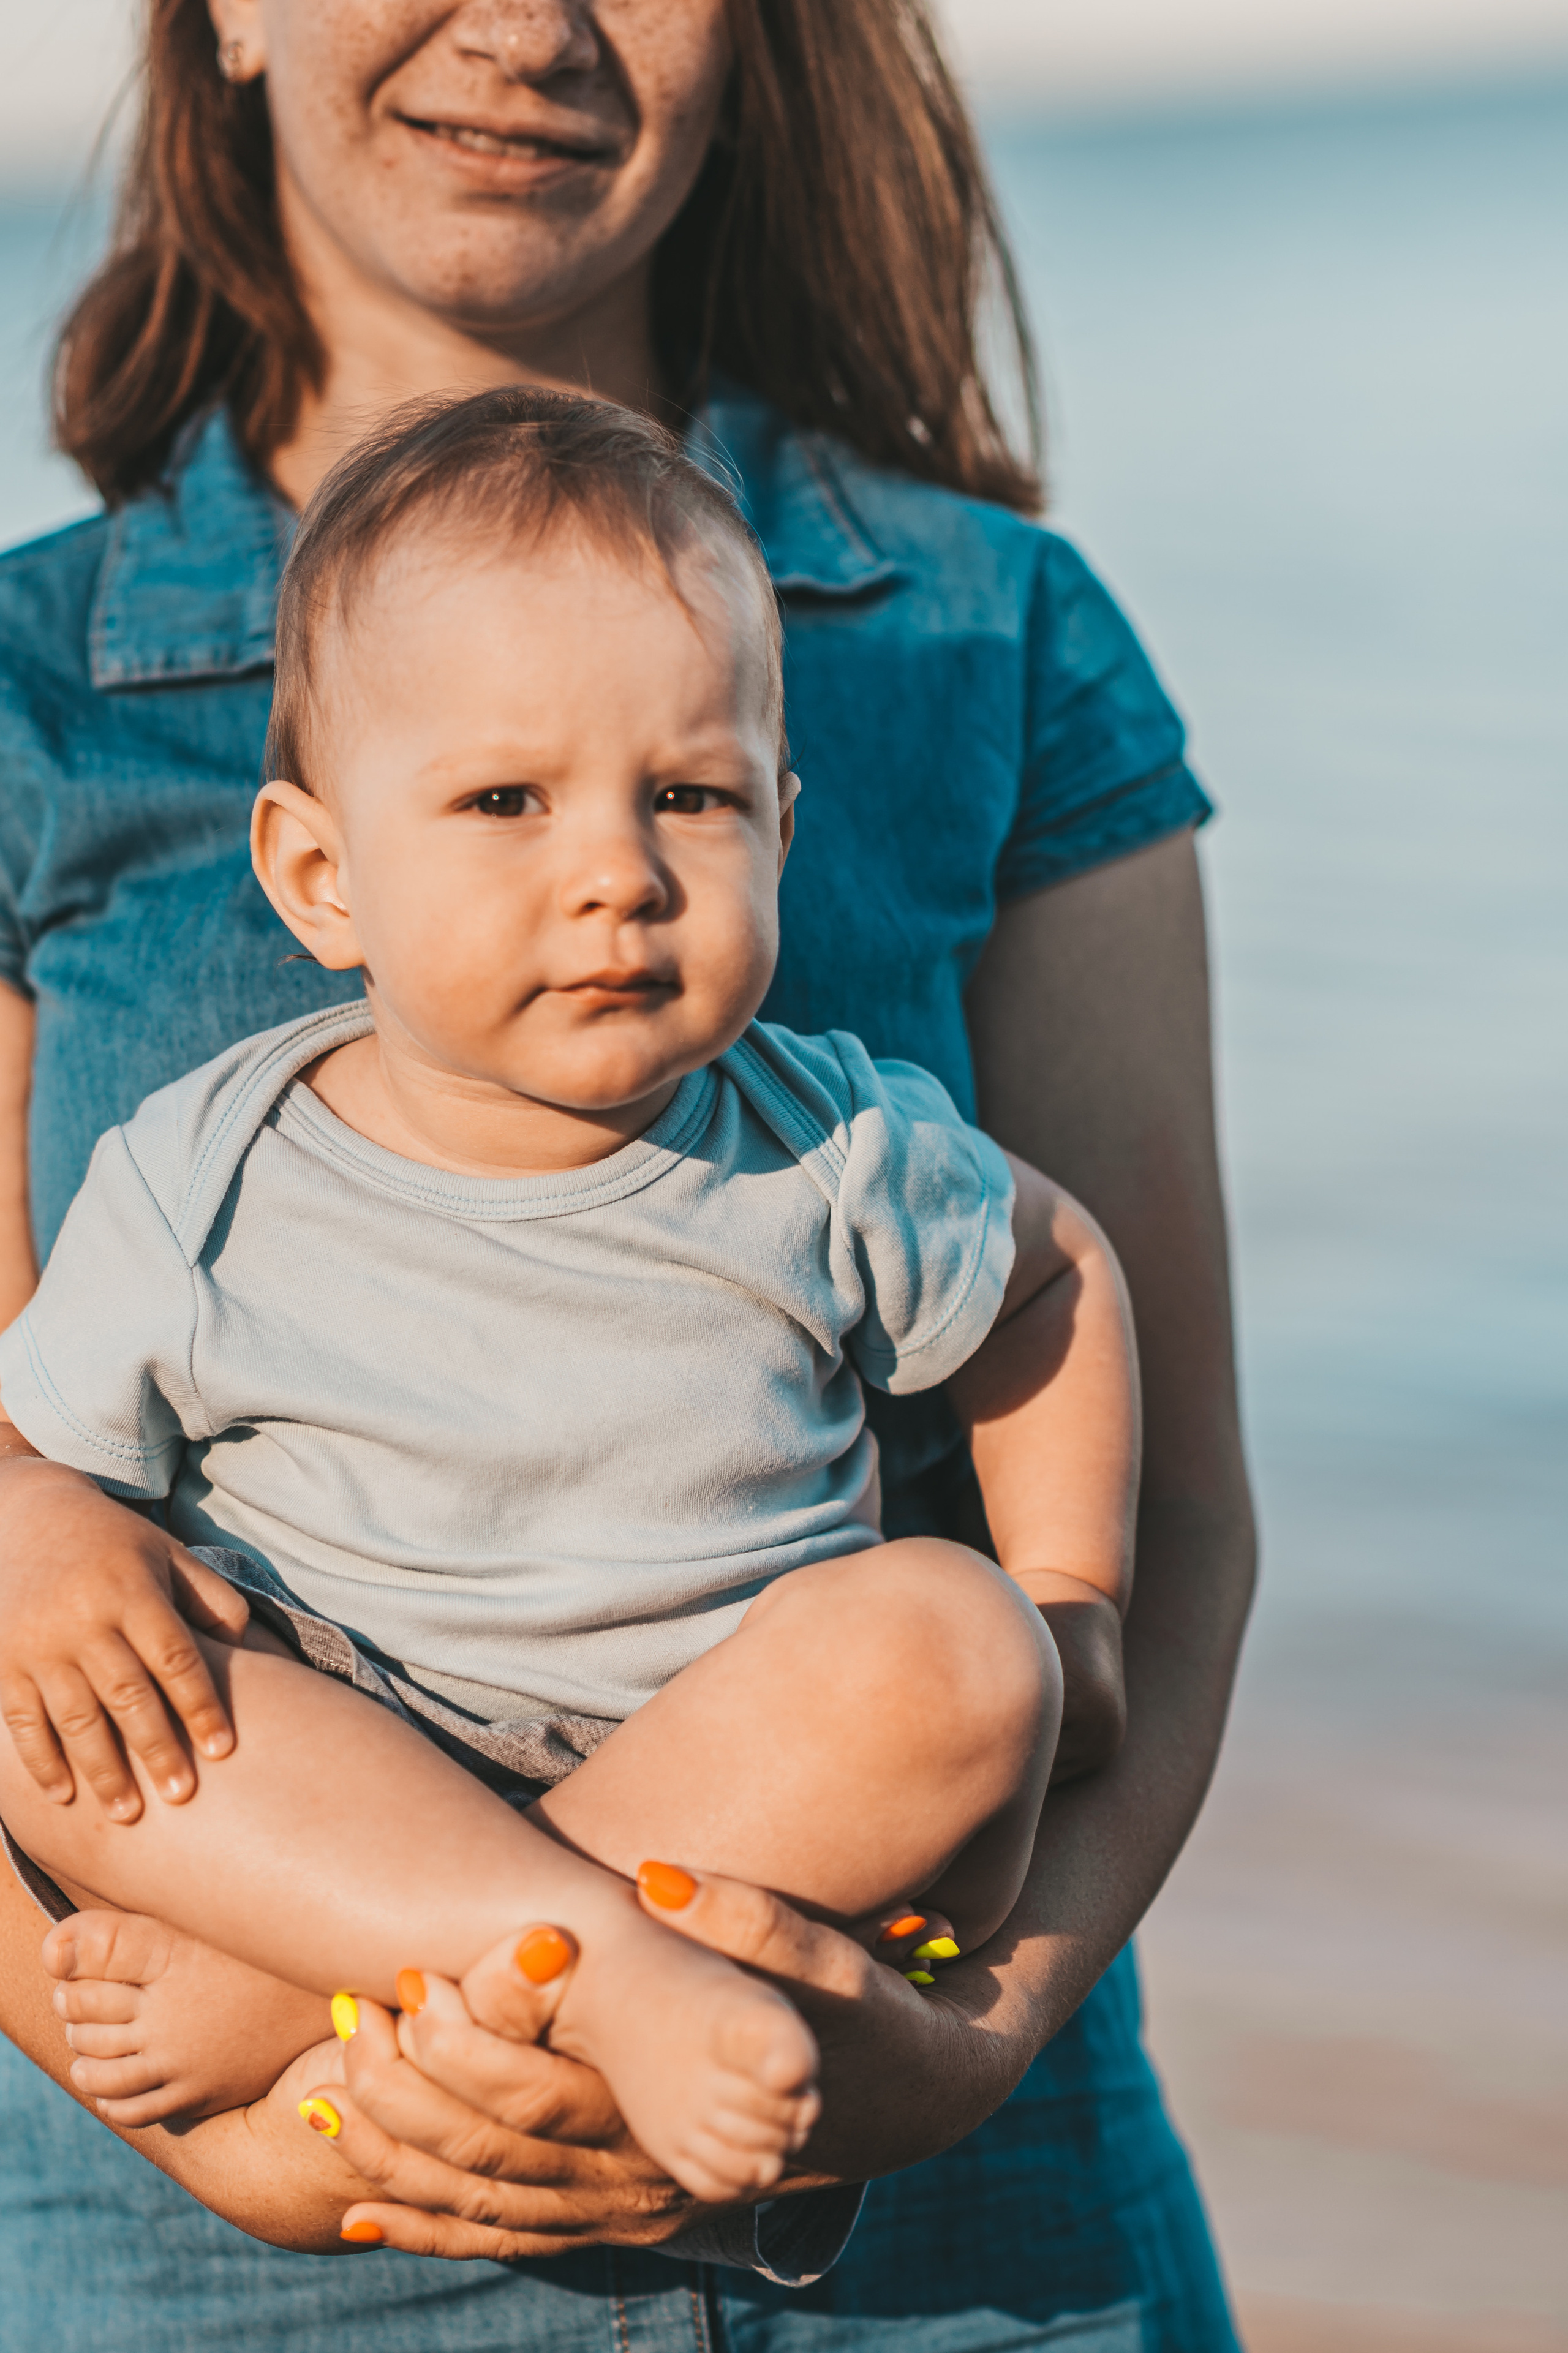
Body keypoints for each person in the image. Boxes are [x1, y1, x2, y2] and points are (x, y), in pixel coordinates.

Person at [0, 1, 1254, 2345]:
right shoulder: (22, 704)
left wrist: (967, 2048)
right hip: (229, 2218)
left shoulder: (998, 636)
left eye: (691, 799)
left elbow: (1151, 1473)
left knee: (955, 1635)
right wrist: (244, 2131)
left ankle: (456, 1946)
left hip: (935, 2185)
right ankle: (451, 1954)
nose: (528, 21)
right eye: (497, 803)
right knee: (61, 1658)